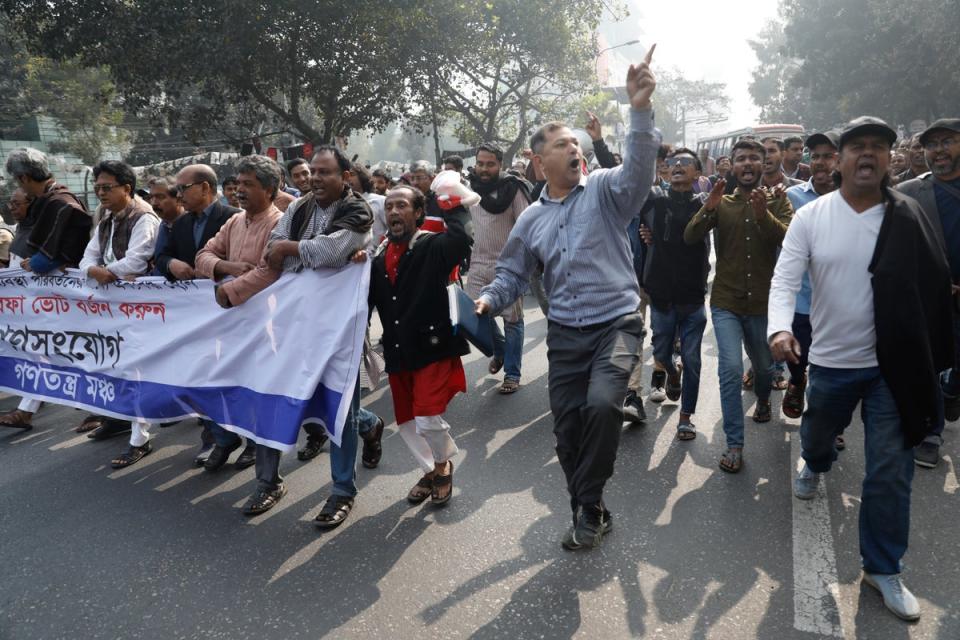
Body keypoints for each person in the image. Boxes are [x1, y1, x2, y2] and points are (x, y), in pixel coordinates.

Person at [769, 116, 953, 622]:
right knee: (819, 436)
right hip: (829, 362)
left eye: (879, 147)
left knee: (890, 472)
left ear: (890, 159)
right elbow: (784, 279)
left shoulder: (908, 215)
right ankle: (817, 460)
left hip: (891, 370)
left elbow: (933, 286)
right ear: (839, 159)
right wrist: (780, 329)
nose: (868, 155)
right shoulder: (811, 216)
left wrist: (935, 354)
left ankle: (883, 567)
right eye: (858, 148)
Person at [476, 46, 659, 550]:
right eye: (561, 143)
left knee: (603, 406)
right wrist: (490, 299)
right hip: (565, 335)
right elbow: (512, 272)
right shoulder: (532, 218)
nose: (574, 146)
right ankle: (590, 507)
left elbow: (640, 175)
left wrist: (639, 110)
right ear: (539, 162)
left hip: (617, 324)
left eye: (575, 141)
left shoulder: (604, 189)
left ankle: (586, 502)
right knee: (567, 430)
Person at [254, 145, 383, 524]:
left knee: (338, 408)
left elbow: (333, 250)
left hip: (339, 328)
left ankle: (342, 491)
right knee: (287, 396)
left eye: (325, 172)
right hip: (294, 321)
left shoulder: (359, 211)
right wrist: (296, 252)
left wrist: (293, 251)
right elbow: (272, 246)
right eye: (312, 171)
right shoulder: (298, 207)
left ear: (345, 177)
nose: (315, 178)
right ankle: (370, 425)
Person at [683, 138, 793, 473]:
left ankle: (762, 398)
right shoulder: (722, 202)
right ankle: (734, 444)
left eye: (753, 159)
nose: (747, 164)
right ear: (730, 165)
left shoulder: (778, 201)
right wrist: (709, 208)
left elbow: (789, 240)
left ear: (763, 165)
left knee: (763, 369)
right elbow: (690, 236)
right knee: (729, 368)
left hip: (762, 302)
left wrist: (763, 216)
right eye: (741, 159)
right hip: (726, 301)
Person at [370, 185, 472, 507]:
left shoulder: (433, 246)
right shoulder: (377, 257)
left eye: (402, 206)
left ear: (418, 213)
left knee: (428, 417)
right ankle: (429, 470)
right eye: (389, 207)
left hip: (432, 347)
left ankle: (442, 468)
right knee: (408, 423)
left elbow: (461, 238)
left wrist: (450, 199)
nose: (394, 212)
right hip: (400, 352)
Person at [194, 155, 287, 474]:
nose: (239, 190)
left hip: (267, 327)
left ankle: (268, 481)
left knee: (265, 399)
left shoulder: (279, 223)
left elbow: (269, 271)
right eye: (238, 184)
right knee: (212, 383)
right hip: (231, 323)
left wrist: (229, 290)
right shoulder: (235, 221)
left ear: (271, 190)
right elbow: (202, 256)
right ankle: (225, 438)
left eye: (249, 184)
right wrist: (227, 268)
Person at [0, 148, 91, 432]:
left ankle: (108, 411)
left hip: (70, 293)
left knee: (77, 351)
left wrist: (34, 263)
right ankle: (28, 409)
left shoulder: (59, 202)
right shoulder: (47, 202)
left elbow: (49, 255)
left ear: (24, 177)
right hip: (53, 295)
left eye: (18, 181)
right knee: (48, 348)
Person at [158, 164, 244, 463]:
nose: (178, 194)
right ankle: (221, 437)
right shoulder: (180, 224)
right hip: (192, 320)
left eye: (183, 188)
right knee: (197, 378)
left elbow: (244, 264)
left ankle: (255, 444)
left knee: (237, 380)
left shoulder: (233, 217)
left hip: (231, 314)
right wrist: (172, 265)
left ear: (205, 188)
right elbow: (161, 256)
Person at [79, 160, 161, 467]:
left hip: (140, 309)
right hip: (112, 308)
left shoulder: (144, 219)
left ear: (126, 188)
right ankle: (118, 420)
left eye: (107, 187)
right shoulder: (105, 220)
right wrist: (97, 272)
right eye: (98, 187)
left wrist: (101, 273)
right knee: (113, 366)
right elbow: (86, 259)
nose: (100, 192)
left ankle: (140, 439)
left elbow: (136, 262)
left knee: (136, 371)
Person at [897, 118, 960, 468]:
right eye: (931, 144)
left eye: (947, 142)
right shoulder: (909, 192)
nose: (939, 151)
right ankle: (931, 433)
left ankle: (952, 391)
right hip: (931, 297)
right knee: (931, 364)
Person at [637, 148, 710, 440]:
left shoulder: (707, 204)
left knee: (693, 359)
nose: (678, 166)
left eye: (686, 163)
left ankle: (686, 417)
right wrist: (601, 143)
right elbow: (628, 181)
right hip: (661, 296)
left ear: (698, 173)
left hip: (693, 298)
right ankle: (672, 373)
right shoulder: (654, 200)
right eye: (673, 162)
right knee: (661, 354)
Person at [781, 132, 840, 425]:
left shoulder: (855, 200)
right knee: (797, 359)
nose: (820, 162)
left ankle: (830, 425)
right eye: (815, 156)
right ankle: (796, 382)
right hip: (801, 300)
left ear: (841, 159)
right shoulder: (792, 197)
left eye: (828, 156)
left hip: (839, 305)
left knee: (828, 369)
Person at [466, 142, 531, 394]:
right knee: (475, 315)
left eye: (490, 164)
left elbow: (527, 226)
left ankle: (512, 374)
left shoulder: (513, 189)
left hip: (509, 266)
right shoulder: (469, 189)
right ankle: (501, 350)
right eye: (480, 163)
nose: (483, 168)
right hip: (478, 262)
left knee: (513, 320)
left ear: (500, 165)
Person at [146, 176, 185, 275]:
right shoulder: (163, 225)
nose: (154, 203)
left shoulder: (192, 224)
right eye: (151, 197)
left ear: (178, 199)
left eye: (160, 197)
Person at [349, 162, 387, 246]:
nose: (348, 178)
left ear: (362, 176)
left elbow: (391, 230)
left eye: (352, 174)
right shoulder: (342, 204)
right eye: (344, 175)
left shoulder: (379, 200)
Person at [6, 188, 35, 264]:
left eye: (16, 204)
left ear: (31, 204)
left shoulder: (43, 229)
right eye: (11, 204)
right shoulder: (19, 227)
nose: (12, 208)